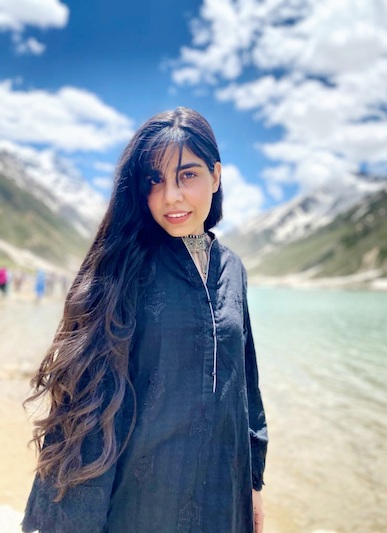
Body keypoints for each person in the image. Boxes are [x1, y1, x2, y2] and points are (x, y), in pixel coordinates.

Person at [22, 107, 268, 533]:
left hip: (223, 498)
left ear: (216, 175)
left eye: (187, 175)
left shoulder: (233, 269)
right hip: (144, 504)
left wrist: (254, 483)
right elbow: (87, 408)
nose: (171, 196)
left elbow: (246, 383)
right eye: (155, 181)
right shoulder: (123, 269)